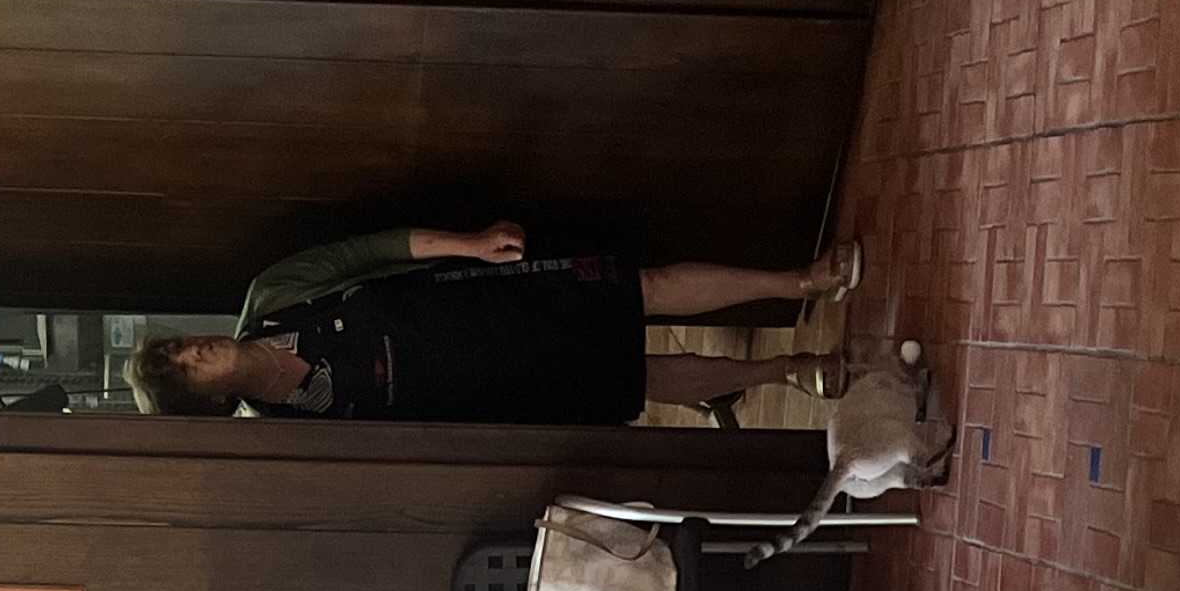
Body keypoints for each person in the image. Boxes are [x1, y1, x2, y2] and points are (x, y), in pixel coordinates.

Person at [128, 220, 856, 423]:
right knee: (642, 377)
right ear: (210, 400)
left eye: (184, 345)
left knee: (645, 289)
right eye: (189, 366)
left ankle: (801, 281)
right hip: (485, 390)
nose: (199, 349)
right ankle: (785, 371)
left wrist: (471, 245)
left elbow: (369, 249)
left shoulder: (274, 295)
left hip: (482, 300)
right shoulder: (291, 427)